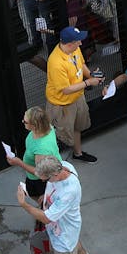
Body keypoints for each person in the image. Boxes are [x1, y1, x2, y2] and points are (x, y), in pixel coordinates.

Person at [45, 26, 101, 164]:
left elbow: (81, 64)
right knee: (59, 134)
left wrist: (92, 75)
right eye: (78, 41)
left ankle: (78, 153)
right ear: (69, 43)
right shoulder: (56, 62)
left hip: (78, 97)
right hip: (62, 103)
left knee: (77, 127)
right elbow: (65, 90)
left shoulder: (74, 49)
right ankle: (52, 163)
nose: (81, 43)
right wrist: (88, 83)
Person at [7, 106, 61, 201]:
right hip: (37, 175)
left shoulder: (42, 149)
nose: (22, 122)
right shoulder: (47, 127)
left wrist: (19, 163)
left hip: (39, 180)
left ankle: (43, 211)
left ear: (35, 125)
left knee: (42, 200)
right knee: (32, 193)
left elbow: (39, 172)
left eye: (25, 122)